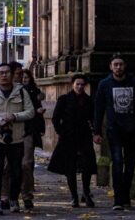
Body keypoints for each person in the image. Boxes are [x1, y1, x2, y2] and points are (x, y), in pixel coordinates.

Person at [93, 54, 135, 211]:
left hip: (132, 130)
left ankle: (126, 197)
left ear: (125, 66)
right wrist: (96, 131)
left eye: (121, 64)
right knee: (117, 163)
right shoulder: (104, 84)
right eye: (115, 64)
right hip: (114, 130)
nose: (118, 67)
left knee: (130, 165)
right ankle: (118, 199)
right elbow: (98, 109)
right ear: (110, 66)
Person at [0, 62, 35, 215]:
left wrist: (14, 117)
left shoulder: (22, 92)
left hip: (17, 138)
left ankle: (13, 199)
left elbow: (30, 112)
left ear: (12, 75)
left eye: (6, 72)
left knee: (17, 171)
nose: (4, 75)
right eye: (1, 73)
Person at [48, 73, 97, 208]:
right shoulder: (64, 99)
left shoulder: (89, 100)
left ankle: (86, 193)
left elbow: (93, 118)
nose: (80, 87)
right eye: (77, 84)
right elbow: (55, 118)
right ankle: (74, 196)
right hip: (68, 136)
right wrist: (61, 132)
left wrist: (95, 132)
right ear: (72, 84)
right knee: (70, 167)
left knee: (87, 166)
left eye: (82, 84)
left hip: (84, 136)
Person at [18, 69, 46, 211]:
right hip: (14, 130)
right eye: (22, 77)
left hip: (29, 130)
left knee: (27, 163)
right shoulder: (15, 92)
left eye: (26, 77)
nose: (24, 79)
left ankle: (27, 194)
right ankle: (9, 195)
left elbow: (38, 109)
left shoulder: (35, 91)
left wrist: (40, 125)